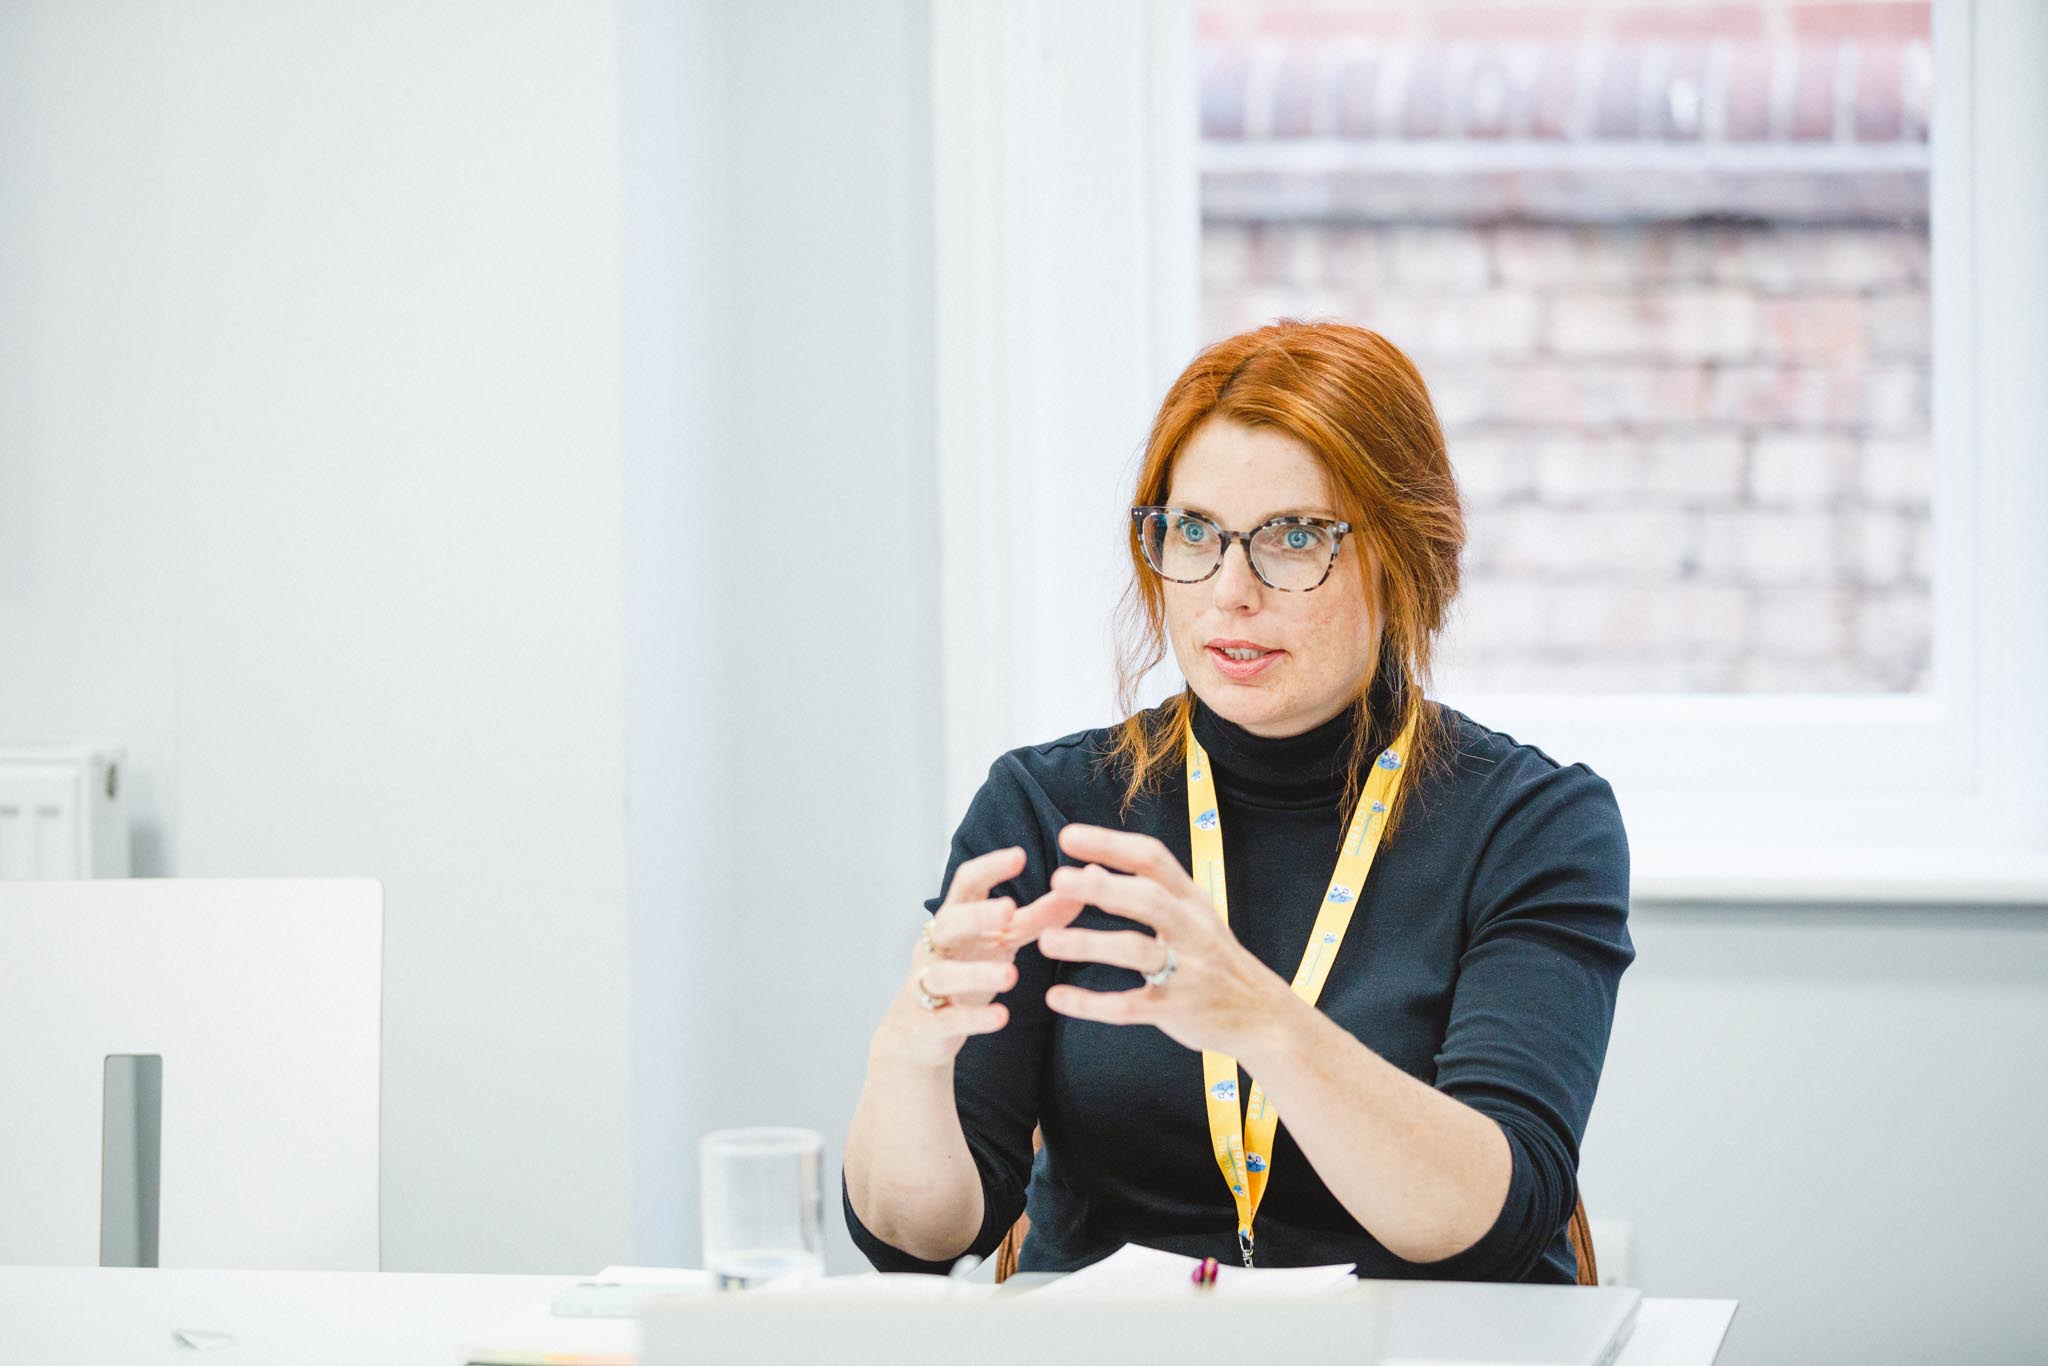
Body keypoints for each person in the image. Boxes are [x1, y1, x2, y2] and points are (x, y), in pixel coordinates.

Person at [841, 320, 1634, 1283]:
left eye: (1295, 538)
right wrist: (908, 1061)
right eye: (1196, 534)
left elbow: (1495, 1216)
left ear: (1405, 554)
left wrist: (1261, 1020)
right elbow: (918, 1239)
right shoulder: (1049, 809)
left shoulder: (1532, 825)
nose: (1231, 590)